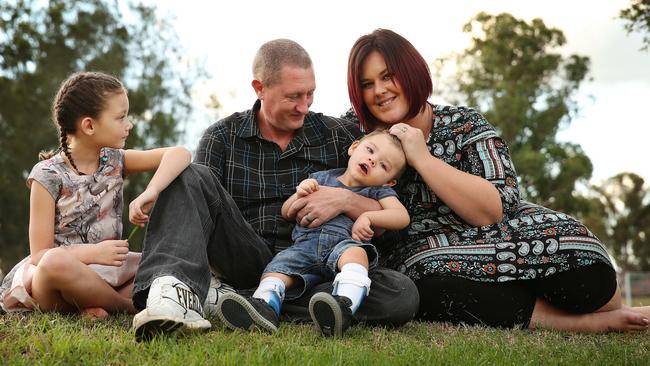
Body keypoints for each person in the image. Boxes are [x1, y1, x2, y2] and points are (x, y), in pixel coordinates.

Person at [329, 28, 650, 332]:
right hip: (421, 256)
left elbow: (493, 210)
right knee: (429, 272)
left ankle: (605, 307)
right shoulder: (354, 133)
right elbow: (331, 181)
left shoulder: (464, 125)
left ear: (411, 71)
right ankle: (579, 324)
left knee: (577, 246)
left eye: (387, 76)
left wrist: (422, 158)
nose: (380, 91)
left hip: (494, 233)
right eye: (367, 84)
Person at [130, 39, 419, 341]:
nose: (305, 106)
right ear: (260, 88)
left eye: (310, 94)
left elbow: (393, 224)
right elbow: (198, 216)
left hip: (321, 264)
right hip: (245, 257)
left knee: (399, 295)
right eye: (294, 96)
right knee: (189, 175)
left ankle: (242, 301)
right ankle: (172, 296)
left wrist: (345, 199)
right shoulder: (222, 137)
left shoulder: (339, 136)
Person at [0, 72, 191, 318]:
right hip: (56, 281)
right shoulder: (47, 175)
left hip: (108, 272)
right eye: (121, 117)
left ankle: (92, 306)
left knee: (163, 262)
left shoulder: (116, 161)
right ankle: (125, 307)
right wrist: (94, 253)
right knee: (53, 263)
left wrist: (151, 191)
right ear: (89, 125)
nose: (128, 124)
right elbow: (40, 255)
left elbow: (179, 153)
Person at [215, 130, 409, 337]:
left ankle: (343, 306)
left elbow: (401, 217)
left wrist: (368, 217)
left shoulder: (377, 191)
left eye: (383, 165)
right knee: (277, 268)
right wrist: (300, 193)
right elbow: (287, 212)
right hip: (304, 246)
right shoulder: (321, 178)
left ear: (389, 181)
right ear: (354, 147)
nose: (372, 160)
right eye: (370, 150)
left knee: (357, 255)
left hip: (343, 244)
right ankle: (264, 306)